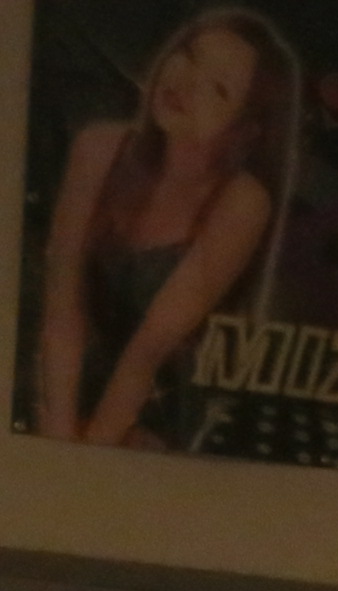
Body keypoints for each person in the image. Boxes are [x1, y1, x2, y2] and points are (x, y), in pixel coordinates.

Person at [32, 8, 295, 449]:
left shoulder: (243, 201)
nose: (186, 83)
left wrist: (91, 452)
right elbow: (61, 308)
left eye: (218, 88)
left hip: (164, 409)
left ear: (245, 131)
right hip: (67, 379)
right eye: (188, 55)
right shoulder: (99, 148)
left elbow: (150, 349)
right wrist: (59, 434)